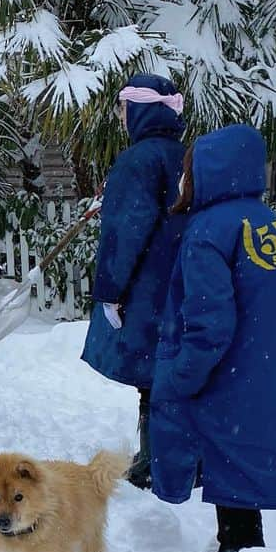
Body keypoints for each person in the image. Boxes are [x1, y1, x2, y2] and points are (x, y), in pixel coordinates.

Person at [150, 124, 276, 552]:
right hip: (269, 371)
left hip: (227, 376)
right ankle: (238, 551)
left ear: (209, 171)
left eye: (188, 169)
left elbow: (209, 322)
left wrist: (180, 377)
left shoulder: (209, 230)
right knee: (241, 474)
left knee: (229, 469)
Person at [81, 73, 187, 488]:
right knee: (174, 370)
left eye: (124, 109)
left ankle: (156, 463)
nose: (122, 118)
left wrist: (110, 291)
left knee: (150, 375)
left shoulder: (138, 160)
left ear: (140, 109)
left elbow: (125, 232)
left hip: (146, 287)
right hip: (181, 281)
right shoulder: (183, 155)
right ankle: (178, 457)